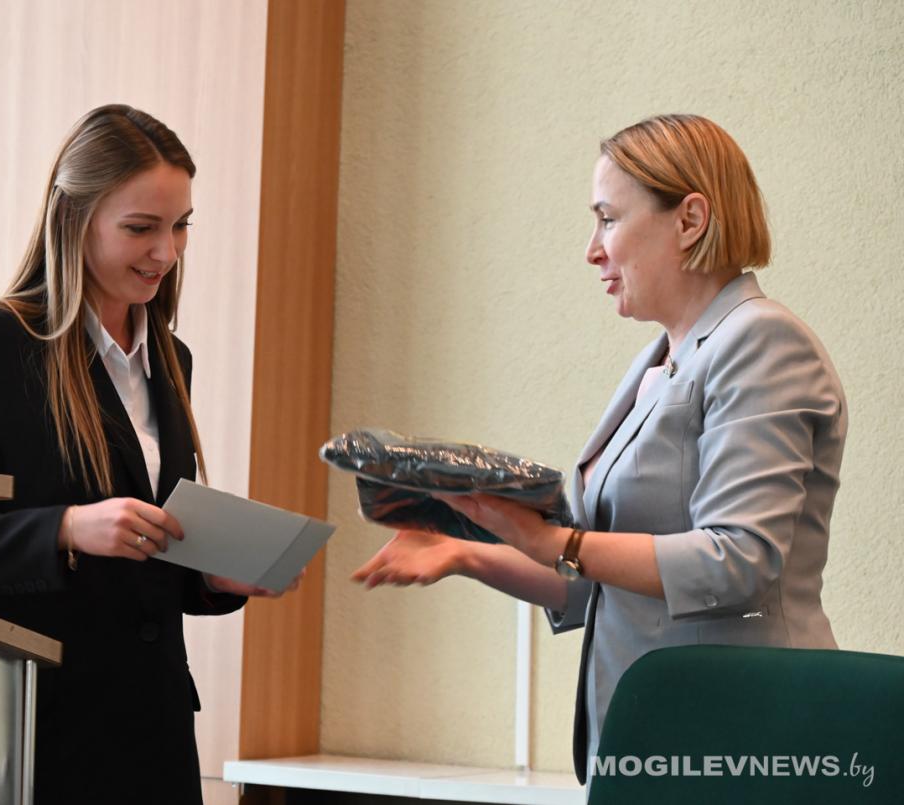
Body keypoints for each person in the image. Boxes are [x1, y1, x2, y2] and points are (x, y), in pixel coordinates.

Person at [352, 114, 847, 784]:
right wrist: (463, 550)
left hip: (743, 733)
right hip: (650, 736)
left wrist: (554, 540)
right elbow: (592, 576)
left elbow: (738, 559)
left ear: (690, 219)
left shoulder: (761, 341)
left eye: (608, 219)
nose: (592, 250)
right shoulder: (656, 361)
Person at [0, 104, 284, 804]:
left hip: (154, 739)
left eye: (181, 225)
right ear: (73, 218)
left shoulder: (171, 359)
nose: (167, 253)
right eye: (141, 228)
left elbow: (142, 567)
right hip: (35, 739)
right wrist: (64, 529)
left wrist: (212, 577)